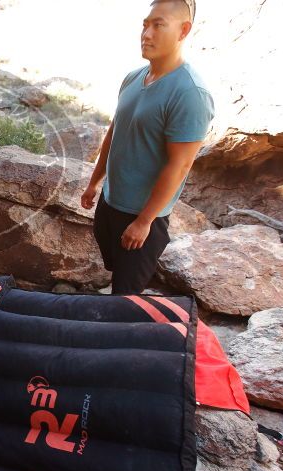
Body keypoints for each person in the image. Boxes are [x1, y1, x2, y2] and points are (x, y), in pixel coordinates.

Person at [81, 0, 214, 295]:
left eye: (158, 25)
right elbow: (114, 133)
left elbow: (179, 166)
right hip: (110, 202)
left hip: (143, 217)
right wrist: (94, 183)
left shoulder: (190, 93)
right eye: (145, 24)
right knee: (116, 274)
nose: (147, 33)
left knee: (125, 298)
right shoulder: (133, 77)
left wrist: (144, 222)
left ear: (183, 30)